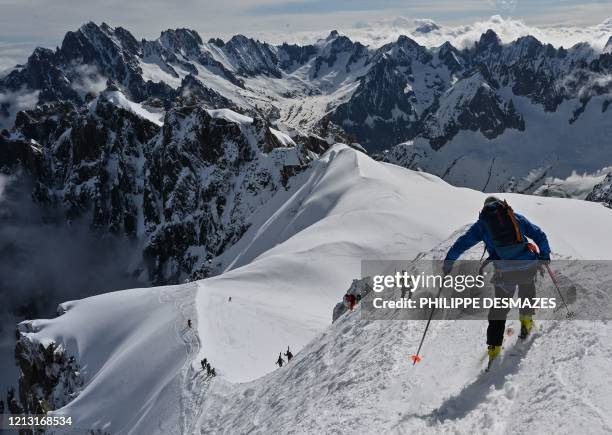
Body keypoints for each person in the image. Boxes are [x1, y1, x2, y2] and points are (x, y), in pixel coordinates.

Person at [443, 196, 551, 365]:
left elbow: (462, 243)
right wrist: (544, 256)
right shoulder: (515, 217)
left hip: (505, 272)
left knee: (500, 308)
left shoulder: (482, 226)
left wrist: (448, 262)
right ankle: (526, 322)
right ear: (501, 206)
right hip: (526, 265)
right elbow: (539, 234)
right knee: (527, 288)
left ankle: (494, 348)